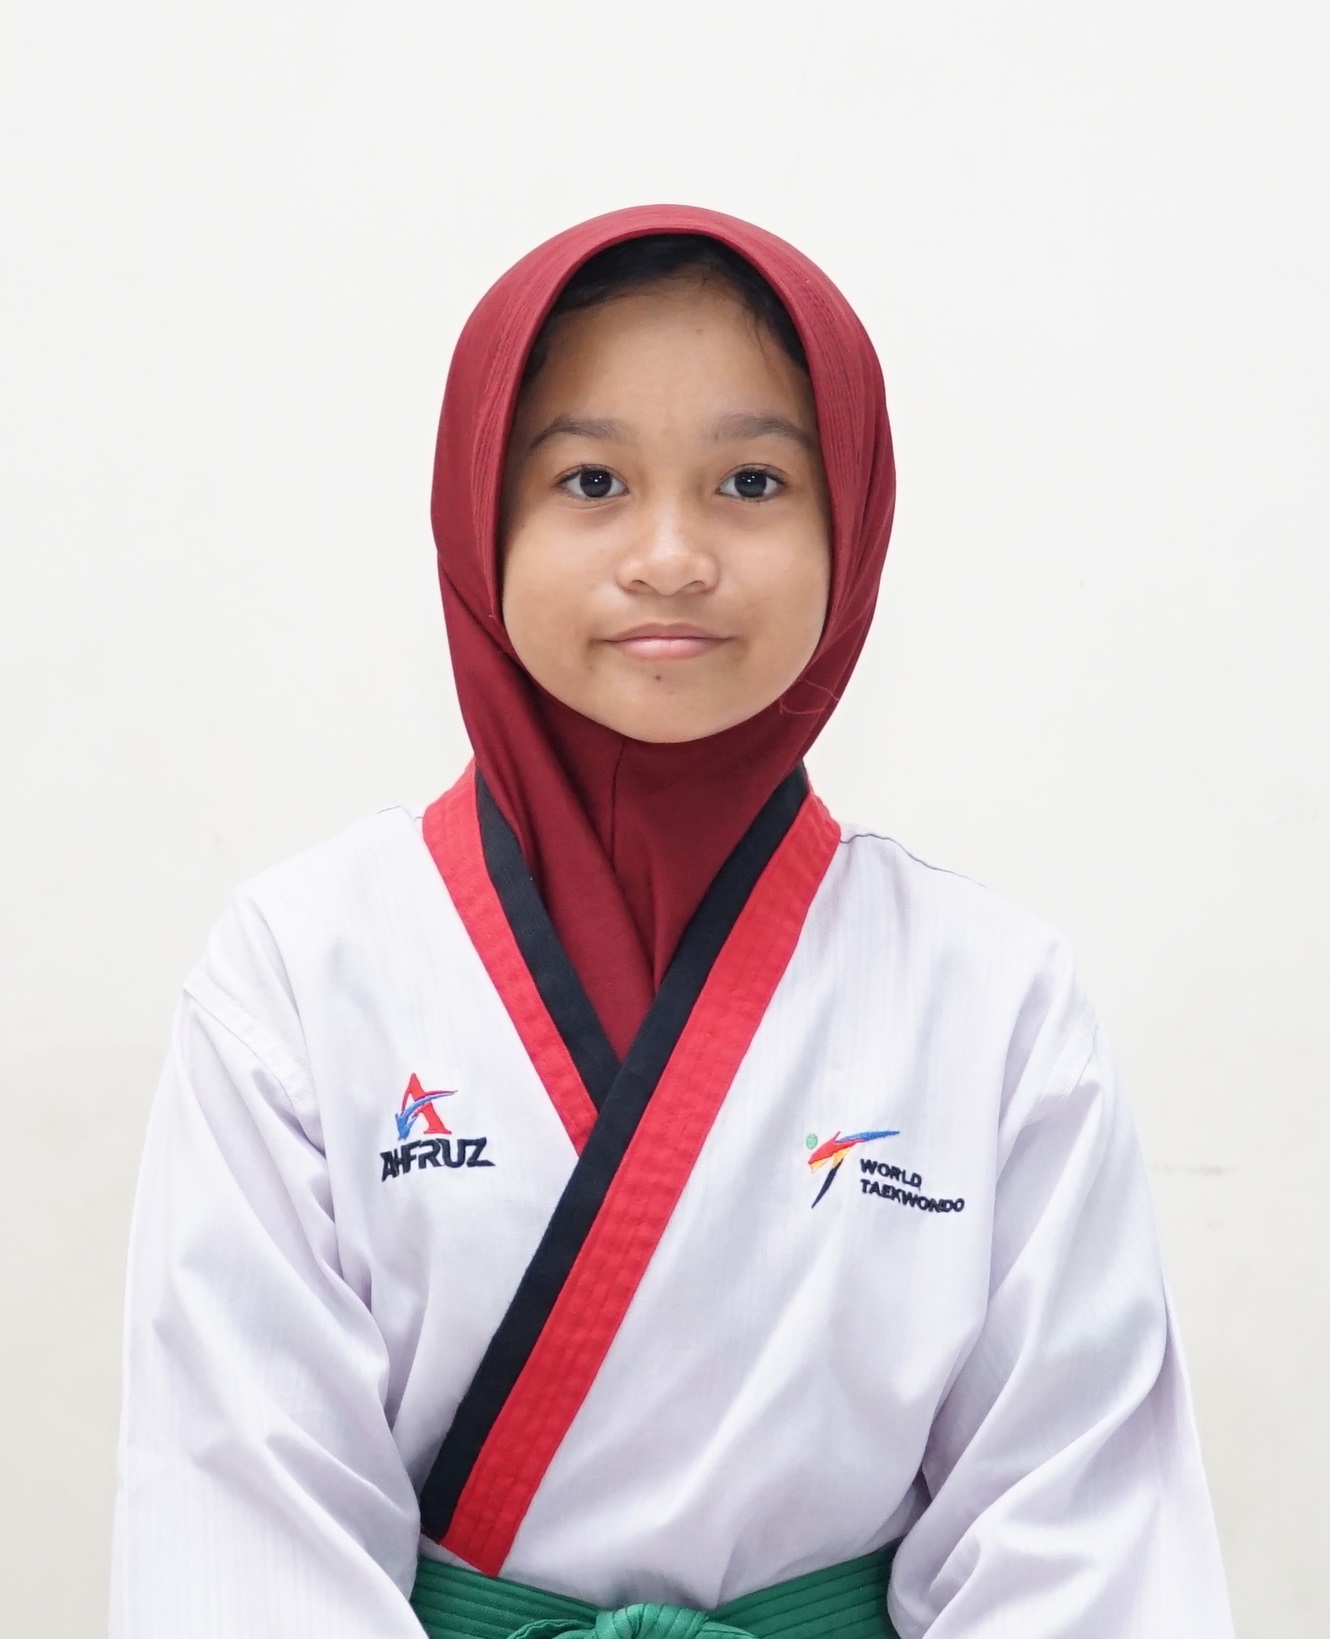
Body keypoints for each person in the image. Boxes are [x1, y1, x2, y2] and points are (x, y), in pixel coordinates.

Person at [110, 205, 1233, 1639]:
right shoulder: (298, 970)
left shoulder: (997, 999)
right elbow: (240, 1524)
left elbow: (1079, 1541)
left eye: (751, 481)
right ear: (479, 516)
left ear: (852, 521)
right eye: (590, 480)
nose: (669, 555)